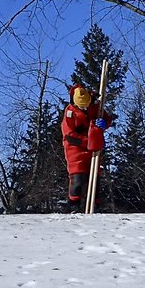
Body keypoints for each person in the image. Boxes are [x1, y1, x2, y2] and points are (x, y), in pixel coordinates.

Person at [60, 83, 111, 213]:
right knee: (77, 177)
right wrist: (89, 141)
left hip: (93, 147)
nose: (85, 108)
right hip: (75, 148)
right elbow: (69, 135)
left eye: (86, 105)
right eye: (82, 106)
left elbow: (106, 119)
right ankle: (74, 205)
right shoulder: (70, 112)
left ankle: (95, 205)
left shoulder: (95, 106)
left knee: (95, 176)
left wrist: (104, 123)